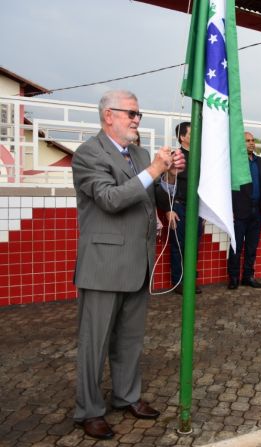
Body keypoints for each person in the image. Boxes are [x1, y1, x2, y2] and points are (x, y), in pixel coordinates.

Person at [71, 90, 185, 439]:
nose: (136, 120)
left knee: (130, 340)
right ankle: (88, 410)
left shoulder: (140, 153)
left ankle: (127, 396)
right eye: (131, 113)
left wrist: (169, 175)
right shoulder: (88, 154)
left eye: (139, 114)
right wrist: (154, 170)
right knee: (95, 343)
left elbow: (150, 194)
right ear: (108, 116)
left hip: (138, 262)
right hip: (104, 264)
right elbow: (109, 199)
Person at [155, 122, 204, 294]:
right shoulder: (174, 157)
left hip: (197, 209)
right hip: (179, 208)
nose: (197, 136)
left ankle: (190, 280)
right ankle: (178, 282)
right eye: (192, 133)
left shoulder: (201, 156)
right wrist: (168, 209)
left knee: (194, 246)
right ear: (182, 137)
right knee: (179, 246)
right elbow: (159, 186)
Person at [227, 131, 261, 289]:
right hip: (238, 211)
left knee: (252, 247)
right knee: (236, 247)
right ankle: (233, 278)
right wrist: (229, 209)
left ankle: (248, 276)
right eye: (247, 140)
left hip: (257, 212)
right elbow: (227, 188)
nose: (251, 143)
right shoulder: (234, 162)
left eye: (253, 140)